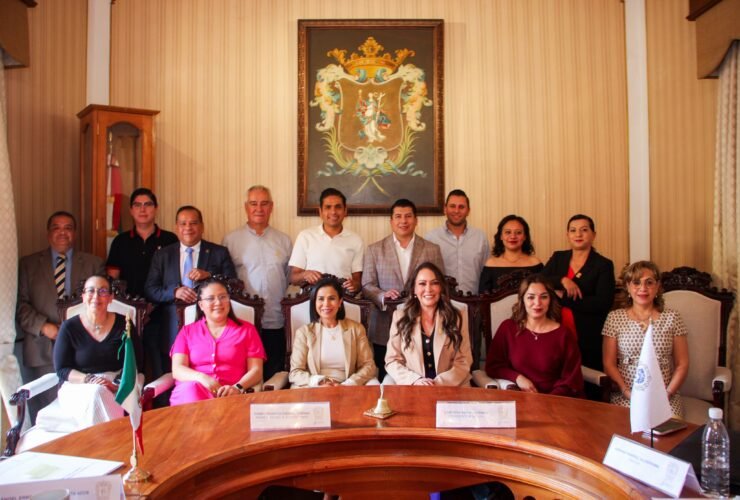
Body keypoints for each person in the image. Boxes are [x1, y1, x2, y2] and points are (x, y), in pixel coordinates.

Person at [16, 211, 104, 422]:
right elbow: (20, 305)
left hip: (82, 348)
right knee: (44, 415)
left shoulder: (94, 263)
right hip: (41, 349)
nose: (62, 233)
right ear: (48, 233)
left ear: (75, 233)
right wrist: (44, 326)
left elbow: (101, 302)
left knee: (80, 414)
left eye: (68, 228)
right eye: (56, 228)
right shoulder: (28, 264)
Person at [145, 206, 237, 379]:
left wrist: (209, 275)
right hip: (172, 328)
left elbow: (234, 285)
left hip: (209, 328)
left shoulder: (218, 252)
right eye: (183, 223)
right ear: (176, 227)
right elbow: (150, 290)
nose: (188, 228)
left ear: (202, 227)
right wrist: (174, 292)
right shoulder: (163, 255)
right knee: (170, 378)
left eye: (193, 223)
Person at [362, 199, 445, 378]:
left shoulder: (432, 249)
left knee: (424, 373)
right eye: (398, 216)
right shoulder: (374, 249)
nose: (403, 221)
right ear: (391, 221)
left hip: (425, 325)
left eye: (408, 216)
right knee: (387, 375)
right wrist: (382, 295)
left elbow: (441, 284)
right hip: (384, 324)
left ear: (416, 220)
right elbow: (367, 285)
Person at [35, 275, 127, 432]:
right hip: (77, 385)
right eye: (91, 291)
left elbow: (135, 362)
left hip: (113, 384)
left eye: (103, 291)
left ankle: (94, 443)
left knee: (100, 393)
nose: (96, 296)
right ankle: (111, 439)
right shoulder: (69, 327)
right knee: (97, 392)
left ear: (111, 297)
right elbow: (62, 369)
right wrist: (91, 380)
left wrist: (117, 385)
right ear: (83, 296)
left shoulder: (124, 324)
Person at [602, 261, 689, 417]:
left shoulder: (673, 317)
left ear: (657, 286)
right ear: (628, 286)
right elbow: (609, 363)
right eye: (636, 282)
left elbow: (682, 364)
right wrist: (626, 392)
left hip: (665, 397)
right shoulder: (614, 318)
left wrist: (667, 393)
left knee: (666, 431)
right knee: (626, 429)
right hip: (626, 396)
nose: (643, 288)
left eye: (649, 282)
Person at [222, 185, 292, 380]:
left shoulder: (284, 241)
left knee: (272, 377)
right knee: (242, 376)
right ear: (246, 207)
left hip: (275, 321)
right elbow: (226, 282)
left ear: (271, 207)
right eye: (253, 204)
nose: (259, 209)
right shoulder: (231, 240)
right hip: (241, 322)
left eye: (264, 203)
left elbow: (289, 277)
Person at [485, 274, 584, 397]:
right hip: (520, 399)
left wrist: (548, 400)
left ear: (550, 300)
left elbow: (572, 380)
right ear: (522, 300)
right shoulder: (508, 328)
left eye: (544, 297)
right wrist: (518, 378)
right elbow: (493, 366)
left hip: (557, 400)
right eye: (531, 297)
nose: (537, 303)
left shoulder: (564, 334)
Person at [170, 278, 265, 405]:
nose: (218, 302)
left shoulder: (247, 330)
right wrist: (202, 378)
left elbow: (256, 371)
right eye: (210, 298)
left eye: (222, 297)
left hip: (230, 396)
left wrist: (237, 387)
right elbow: (177, 369)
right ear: (201, 305)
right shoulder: (187, 332)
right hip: (190, 395)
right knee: (191, 389)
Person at [542, 214, 615, 370]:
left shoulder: (603, 265)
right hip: (553, 328)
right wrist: (562, 280)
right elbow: (539, 280)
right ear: (567, 235)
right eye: (573, 230)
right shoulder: (558, 258)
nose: (578, 234)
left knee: (587, 377)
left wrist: (564, 298)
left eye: (584, 230)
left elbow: (602, 303)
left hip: (588, 333)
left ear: (593, 235)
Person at [385, 262, 472, 386]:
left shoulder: (457, 316)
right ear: (414, 289)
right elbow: (392, 360)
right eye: (422, 284)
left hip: (450, 386)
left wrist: (438, 384)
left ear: (441, 287)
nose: (428, 289)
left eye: (434, 283)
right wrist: (415, 380)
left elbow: (463, 360)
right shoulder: (400, 317)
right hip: (413, 387)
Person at [289, 277, 377, 387]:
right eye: (321, 299)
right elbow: (295, 372)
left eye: (331, 298)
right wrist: (319, 382)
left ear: (340, 302)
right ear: (314, 302)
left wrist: (347, 384)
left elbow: (368, 366)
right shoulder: (304, 332)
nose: (326, 304)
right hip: (315, 388)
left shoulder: (356, 329)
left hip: (347, 388)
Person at [289, 188, 364, 294]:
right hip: (310, 300)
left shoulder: (356, 240)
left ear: (345, 211)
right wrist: (305, 274)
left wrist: (354, 285)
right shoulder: (305, 236)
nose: (333, 212)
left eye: (338, 207)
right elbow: (293, 277)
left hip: (343, 300)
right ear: (320, 211)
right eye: (328, 207)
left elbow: (358, 282)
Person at [106, 188, 178, 298]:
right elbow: (112, 278)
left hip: (163, 303)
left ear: (156, 208)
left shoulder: (170, 239)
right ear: (131, 210)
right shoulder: (120, 241)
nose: (142, 209)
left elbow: (176, 275)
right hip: (128, 303)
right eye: (137, 205)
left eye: (148, 204)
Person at [425, 189, 489, 295]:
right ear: (445, 209)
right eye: (452, 206)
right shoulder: (432, 238)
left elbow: (486, 273)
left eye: (461, 207)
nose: (456, 211)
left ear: (468, 211)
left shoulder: (480, 238)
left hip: (474, 300)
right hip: (443, 300)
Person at [479, 215, 543, 293]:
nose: (513, 236)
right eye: (508, 232)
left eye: (518, 232)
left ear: (525, 236)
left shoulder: (535, 263)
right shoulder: (491, 263)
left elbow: (544, 292)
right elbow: (483, 297)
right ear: (501, 236)